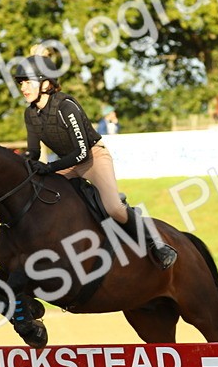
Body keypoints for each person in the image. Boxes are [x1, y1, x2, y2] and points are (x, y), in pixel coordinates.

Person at [15, 50, 176, 269]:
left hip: (92, 158)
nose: (22, 87)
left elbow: (82, 152)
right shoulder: (30, 114)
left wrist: (50, 167)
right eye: (20, 83)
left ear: (45, 83)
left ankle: (156, 245)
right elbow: (33, 153)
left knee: (113, 208)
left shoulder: (66, 106)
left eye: (27, 82)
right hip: (66, 164)